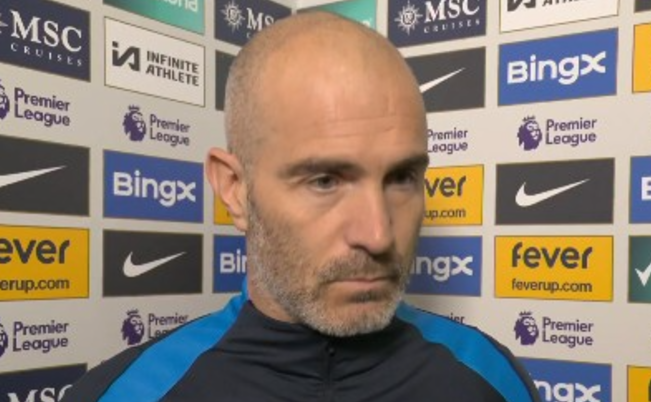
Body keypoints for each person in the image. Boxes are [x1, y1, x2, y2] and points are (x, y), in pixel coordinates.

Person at [62, 12, 541, 402]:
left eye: (401, 178)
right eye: (325, 181)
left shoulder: (491, 380)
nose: (378, 235)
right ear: (234, 189)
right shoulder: (129, 393)